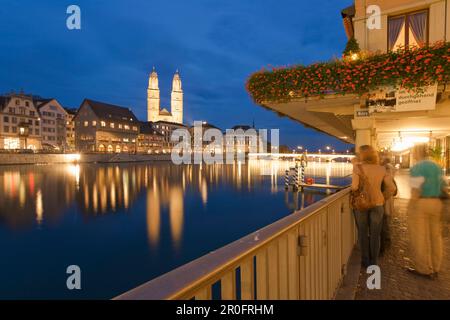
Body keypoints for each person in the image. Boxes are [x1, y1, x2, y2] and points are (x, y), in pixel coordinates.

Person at [352, 145, 396, 267]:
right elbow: (392, 188)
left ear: (362, 155)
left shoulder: (357, 168)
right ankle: (374, 262)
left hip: (362, 204)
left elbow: (354, 187)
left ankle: (365, 261)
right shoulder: (381, 169)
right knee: (375, 235)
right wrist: (383, 197)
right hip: (378, 204)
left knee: (363, 233)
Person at [407, 145, 444, 278]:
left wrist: (411, 207)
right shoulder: (437, 167)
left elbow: (416, 190)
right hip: (436, 202)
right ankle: (436, 267)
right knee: (436, 236)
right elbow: (443, 187)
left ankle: (423, 269)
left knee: (420, 237)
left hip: (421, 203)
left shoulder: (417, 168)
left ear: (417, 152)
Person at [380, 157, 397, 254]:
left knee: (384, 221)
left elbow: (391, 188)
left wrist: (381, 198)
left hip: (384, 200)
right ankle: (386, 242)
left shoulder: (385, 168)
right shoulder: (387, 168)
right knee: (384, 221)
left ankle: (385, 242)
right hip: (386, 198)